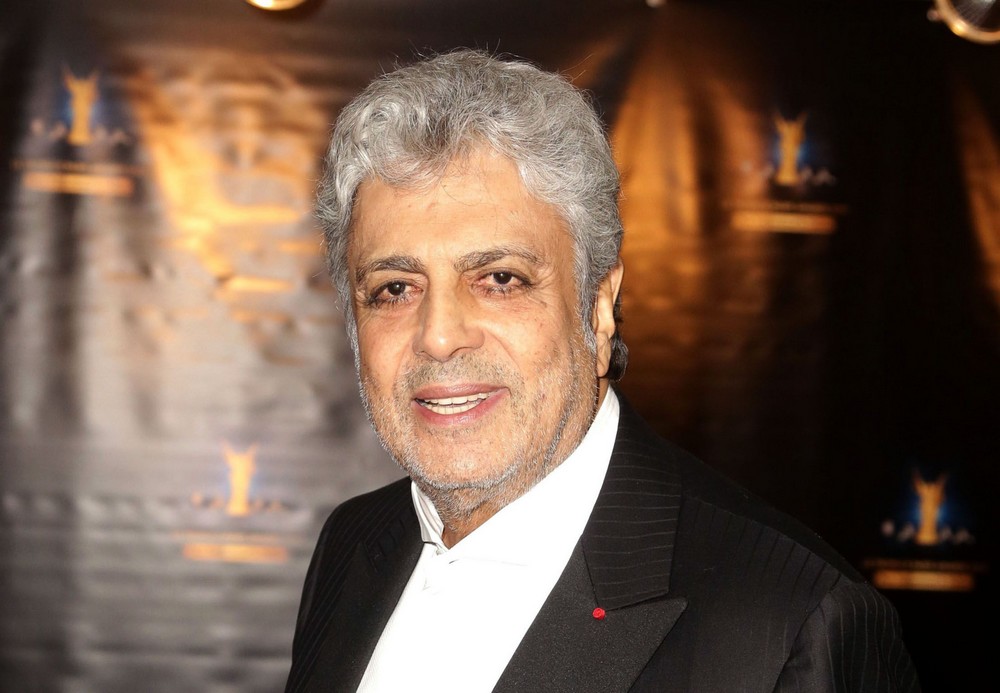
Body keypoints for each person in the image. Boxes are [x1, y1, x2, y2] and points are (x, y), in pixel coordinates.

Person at [285, 48, 921, 693]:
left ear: (599, 306)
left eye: (500, 279)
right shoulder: (354, 541)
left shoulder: (794, 625)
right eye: (394, 288)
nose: (440, 336)